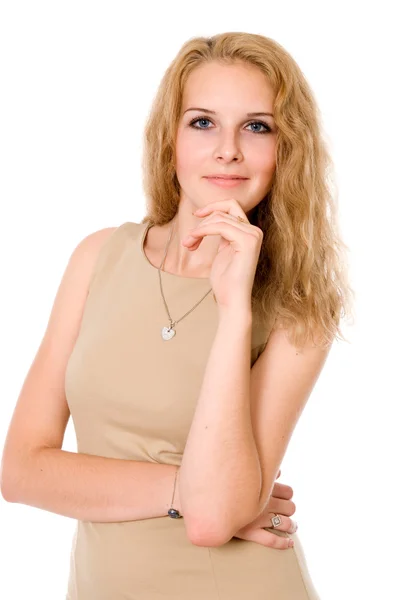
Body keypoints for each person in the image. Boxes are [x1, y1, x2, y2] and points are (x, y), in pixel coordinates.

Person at [1, 31, 353, 599]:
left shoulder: (298, 303)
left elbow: (213, 521)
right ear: (170, 140)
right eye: (203, 122)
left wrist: (235, 311)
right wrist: (184, 488)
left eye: (257, 127)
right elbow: (20, 472)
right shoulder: (98, 258)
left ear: (286, 150)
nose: (228, 149)